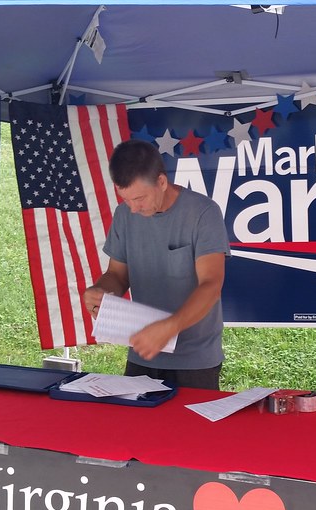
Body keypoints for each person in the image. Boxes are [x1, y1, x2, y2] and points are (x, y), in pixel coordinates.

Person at [82, 139, 230, 389]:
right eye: (126, 199)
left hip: (194, 360)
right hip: (141, 351)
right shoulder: (123, 215)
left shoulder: (203, 213)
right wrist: (102, 292)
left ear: (162, 182)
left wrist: (169, 328)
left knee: (191, 429)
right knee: (137, 428)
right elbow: (117, 275)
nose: (133, 208)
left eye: (139, 198)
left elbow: (211, 285)